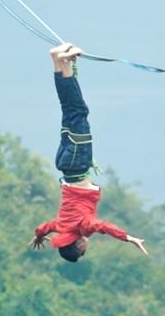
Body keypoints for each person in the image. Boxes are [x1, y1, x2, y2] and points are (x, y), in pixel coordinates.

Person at [29, 43, 149, 262]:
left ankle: (62, 61)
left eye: (82, 250)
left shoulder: (82, 227)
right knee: (70, 111)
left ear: (78, 244)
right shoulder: (61, 226)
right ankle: (59, 61)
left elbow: (103, 227)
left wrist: (128, 238)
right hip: (65, 165)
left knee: (78, 111)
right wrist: (38, 237)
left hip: (77, 163)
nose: (86, 247)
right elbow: (43, 227)